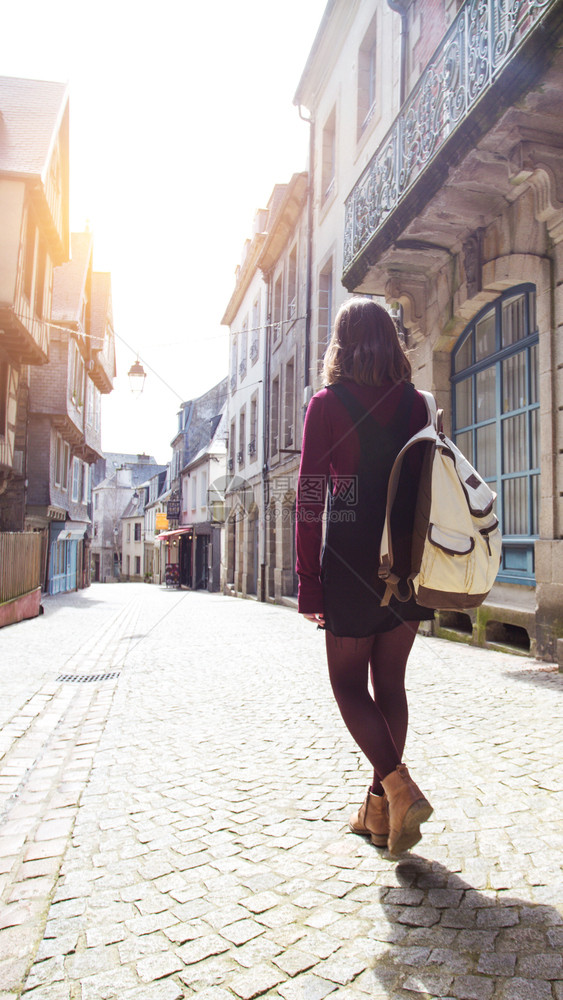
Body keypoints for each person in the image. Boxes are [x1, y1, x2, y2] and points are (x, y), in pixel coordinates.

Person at [296, 297, 434, 856]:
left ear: (342, 345)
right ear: (392, 342)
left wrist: (308, 580)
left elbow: (310, 499)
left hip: (352, 557)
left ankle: (399, 791)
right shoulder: (419, 404)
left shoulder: (327, 404)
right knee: (391, 685)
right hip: (406, 556)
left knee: (349, 685)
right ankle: (378, 815)